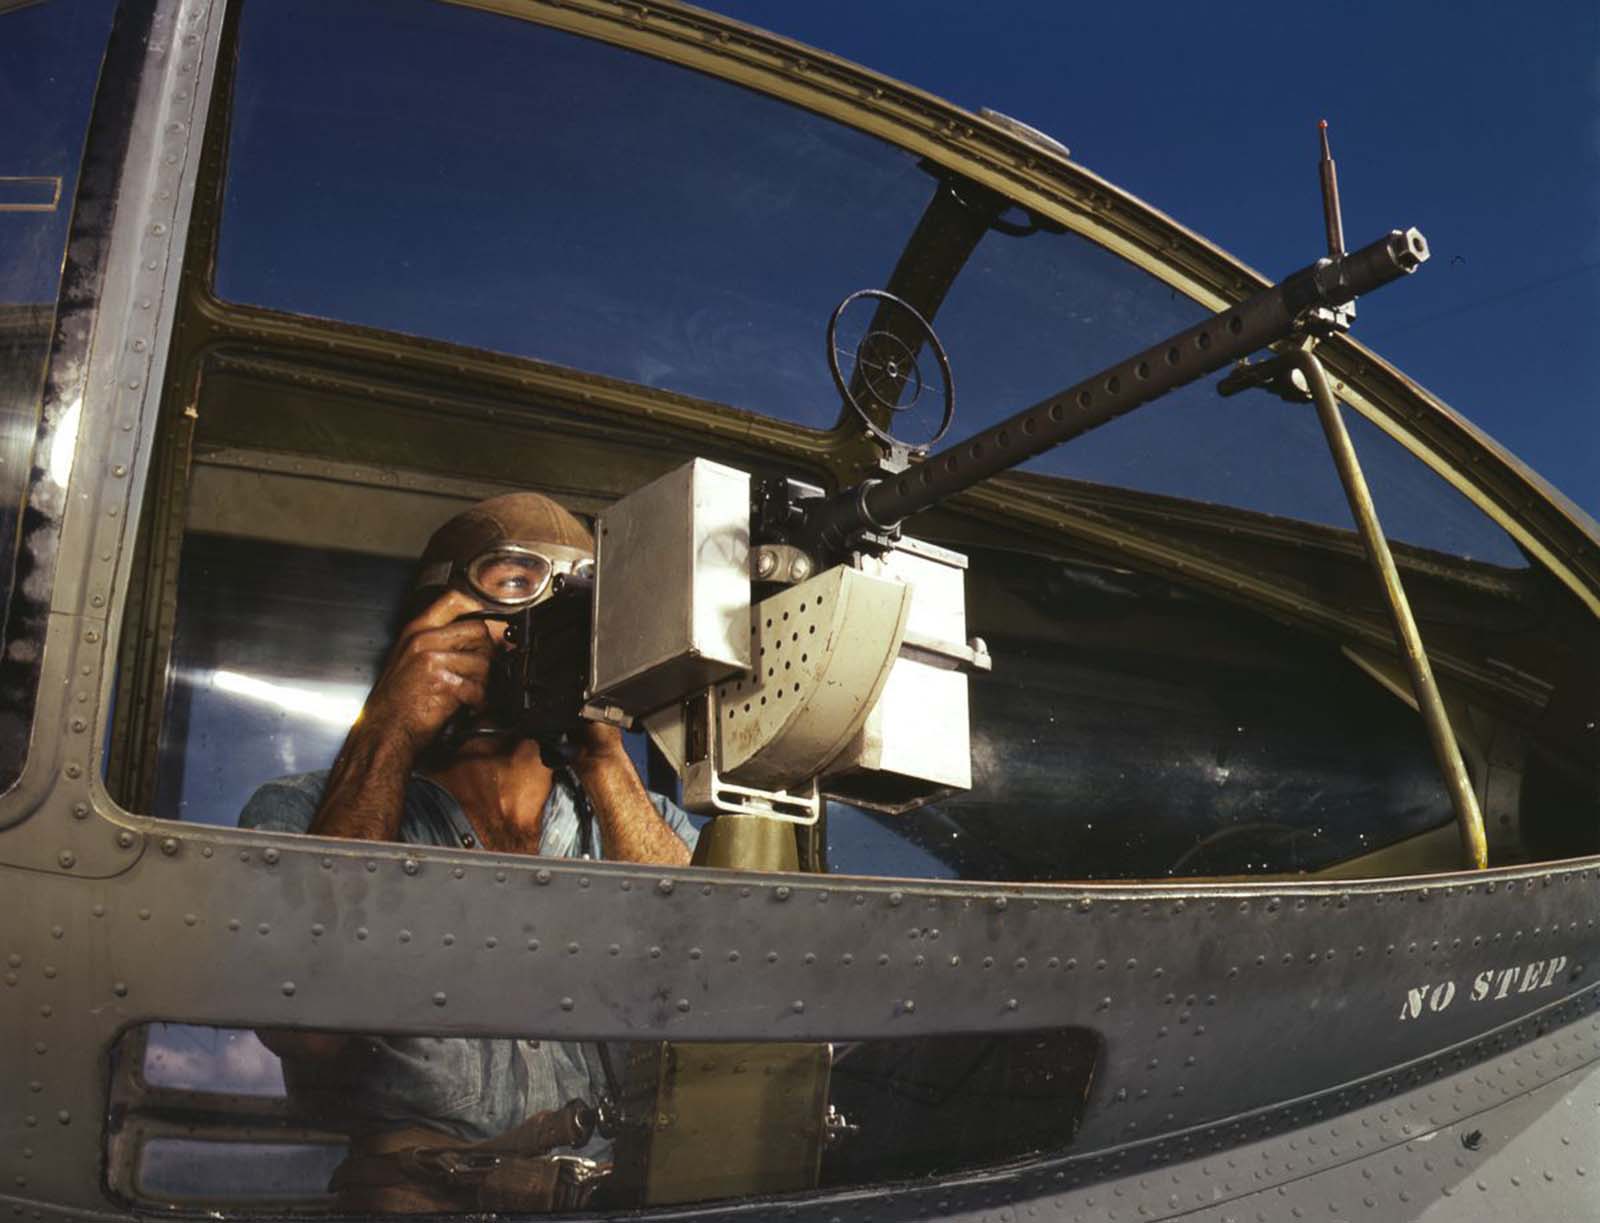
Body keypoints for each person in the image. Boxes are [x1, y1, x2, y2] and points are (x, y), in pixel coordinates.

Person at [239, 492, 697, 1211]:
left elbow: (712, 996)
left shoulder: (641, 818)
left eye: (572, 607)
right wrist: (388, 728)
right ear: (432, 618)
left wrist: (602, 749)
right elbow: (307, 1027)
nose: (533, 633)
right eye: (513, 589)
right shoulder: (302, 815)